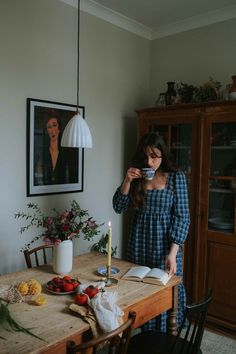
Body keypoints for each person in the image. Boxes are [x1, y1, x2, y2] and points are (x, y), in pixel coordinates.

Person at [112, 132, 190, 332]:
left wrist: (172, 254)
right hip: (139, 243)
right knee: (140, 291)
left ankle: (165, 340)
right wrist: (127, 181)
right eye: (146, 156)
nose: (150, 161)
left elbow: (182, 217)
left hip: (165, 247)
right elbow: (118, 207)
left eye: (154, 156)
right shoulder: (137, 176)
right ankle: (145, 338)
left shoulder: (175, 178)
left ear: (163, 155)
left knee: (165, 291)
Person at [34, 114, 78, 185]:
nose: (52, 130)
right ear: (47, 130)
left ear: (59, 128)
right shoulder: (43, 152)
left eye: (54, 125)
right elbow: (38, 175)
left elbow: (71, 176)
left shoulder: (66, 151)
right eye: (49, 127)